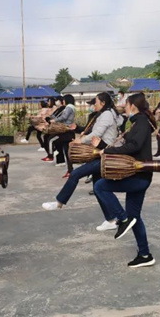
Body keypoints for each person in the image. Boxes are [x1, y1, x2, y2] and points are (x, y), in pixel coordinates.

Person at [93, 93, 156, 268]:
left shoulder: (141, 122)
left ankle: (122, 218)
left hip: (139, 176)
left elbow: (134, 146)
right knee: (135, 217)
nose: (124, 107)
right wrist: (104, 147)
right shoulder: (137, 122)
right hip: (138, 175)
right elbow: (127, 144)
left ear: (133, 106)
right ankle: (145, 255)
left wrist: (108, 151)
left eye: (126, 105)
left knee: (100, 186)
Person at [42, 92, 121, 230]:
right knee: (98, 188)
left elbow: (96, 134)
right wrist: (81, 133)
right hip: (100, 152)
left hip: (103, 153)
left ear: (102, 103)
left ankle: (60, 202)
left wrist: (80, 141)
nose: (94, 105)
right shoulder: (105, 114)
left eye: (96, 102)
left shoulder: (107, 114)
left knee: (76, 174)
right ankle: (111, 219)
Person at [50, 94, 77, 176]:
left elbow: (64, 117)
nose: (63, 101)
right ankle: (70, 170)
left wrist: (55, 120)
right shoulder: (71, 107)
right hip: (67, 130)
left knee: (53, 140)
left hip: (67, 130)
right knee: (66, 151)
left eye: (64, 100)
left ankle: (53, 153)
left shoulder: (69, 107)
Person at [41, 96, 65, 162]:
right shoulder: (58, 108)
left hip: (59, 128)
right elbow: (52, 116)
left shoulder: (61, 108)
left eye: (57, 100)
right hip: (55, 127)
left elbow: (56, 117)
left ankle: (52, 155)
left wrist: (49, 119)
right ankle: (51, 154)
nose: (56, 102)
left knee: (50, 139)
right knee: (47, 137)